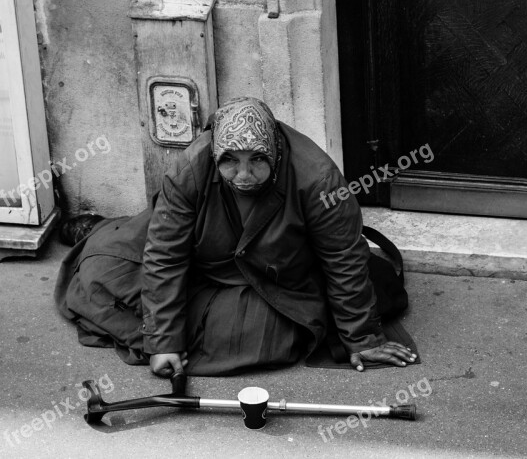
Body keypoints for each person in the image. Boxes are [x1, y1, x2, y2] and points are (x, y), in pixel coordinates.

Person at [55, 97, 416, 377]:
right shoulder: (191, 167)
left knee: (261, 339)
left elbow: (344, 258)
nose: (243, 175)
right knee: (99, 272)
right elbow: (165, 253)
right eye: (231, 161)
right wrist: (163, 340)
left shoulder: (318, 179)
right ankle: (98, 229)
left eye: (257, 160)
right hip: (203, 259)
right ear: (215, 155)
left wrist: (362, 338)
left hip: (278, 275)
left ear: (274, 151)